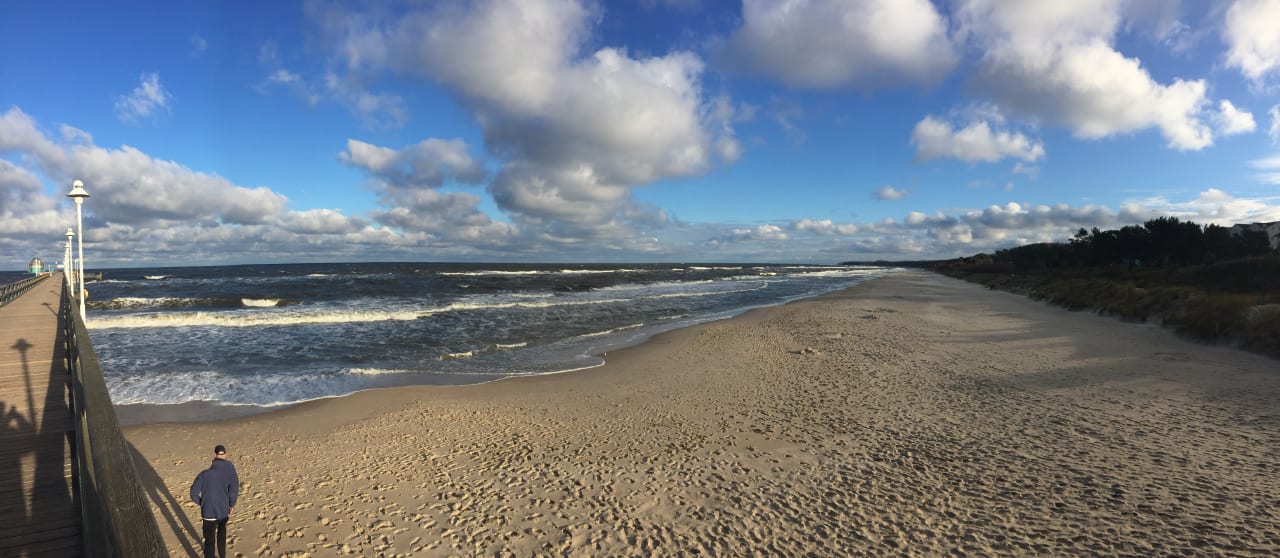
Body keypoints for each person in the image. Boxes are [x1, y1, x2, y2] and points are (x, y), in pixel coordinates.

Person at [190, 445, 239, 558]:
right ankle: (222, 556)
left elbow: (193, 494)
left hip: (208, 513)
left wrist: (202, 503)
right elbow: (234, 489)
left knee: (209, 542)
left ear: (215, 455)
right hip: (223, 511)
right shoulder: (230, 467)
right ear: (225, 455)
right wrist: (231, 504)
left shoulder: (203, 475)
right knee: (221, 535)